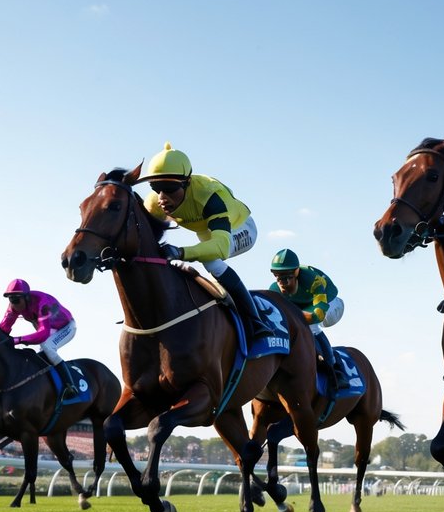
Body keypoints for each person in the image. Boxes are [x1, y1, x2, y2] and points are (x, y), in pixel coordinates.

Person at [137, 143, 274, 358]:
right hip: (207, 232)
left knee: (212, 261)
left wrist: (181, 252)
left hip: (239, 228)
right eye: (156, 187)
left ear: (187, 182)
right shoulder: (156, 201)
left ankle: (255, 322)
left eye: (169, 189)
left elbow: (221, 246)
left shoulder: (210, 196)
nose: (162, 197)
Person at [268, 249, 348, 389]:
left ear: (296, 273)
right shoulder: (274, 290)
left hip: (331, 305)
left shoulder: (313, 281)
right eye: (277, 276)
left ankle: (335, 369)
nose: (282, 282)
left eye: (286, 277)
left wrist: (295, 316)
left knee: (311, 325)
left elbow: (318, 315)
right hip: (304, 305)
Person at [0, 279, 80, 400]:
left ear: (26, 297)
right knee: (41, 356)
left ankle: (70, 385)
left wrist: (17, 340)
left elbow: (43, 334)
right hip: (47, 328)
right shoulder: (14, 306)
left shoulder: (43, 303)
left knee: (47, 347)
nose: (14, 304)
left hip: (66, 327)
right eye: (11, 300)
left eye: (16, 300)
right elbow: (4, 328)